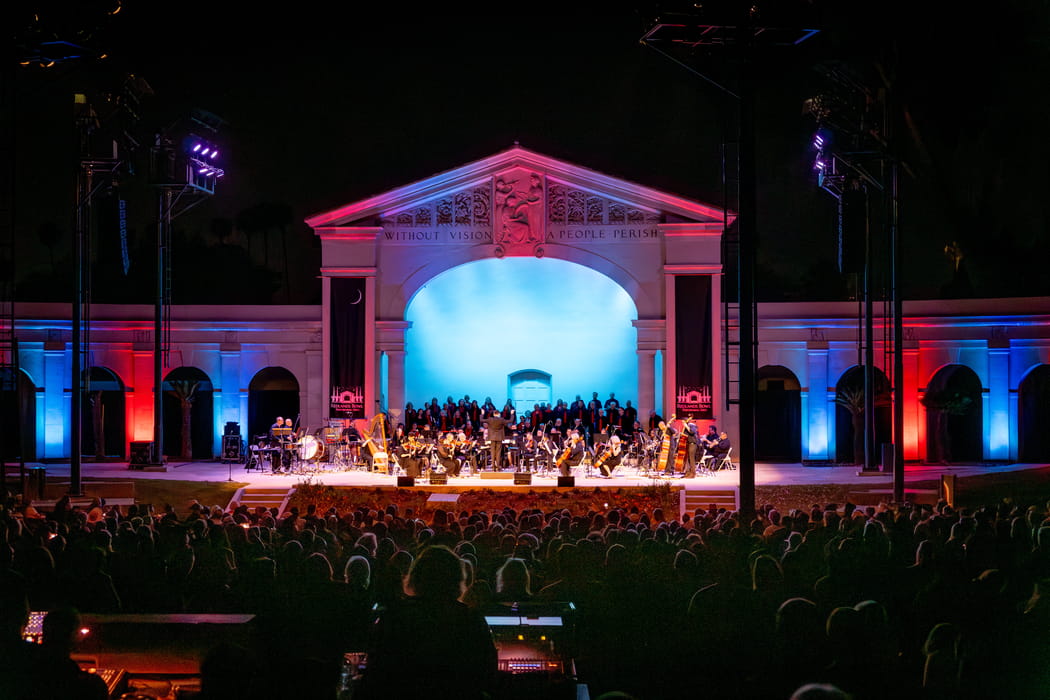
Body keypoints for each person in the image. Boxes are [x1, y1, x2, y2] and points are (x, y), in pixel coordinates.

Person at [360, 546, 497, 699]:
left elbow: (376, 671)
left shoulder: (395, 616)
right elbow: (488, 672)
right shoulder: (471, 618)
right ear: (457, 580)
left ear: (415, 577)